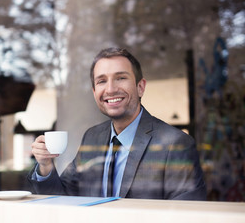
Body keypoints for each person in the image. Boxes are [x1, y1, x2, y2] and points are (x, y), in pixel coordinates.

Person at [27, 47, 206, 200]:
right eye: (102, 81)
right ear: (94, 91)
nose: (111, 89)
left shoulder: (176, 144)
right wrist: (45, 165)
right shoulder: (92, 137)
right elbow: (63, 199)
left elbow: (187, 214)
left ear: (140, 87)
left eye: (121, 77)